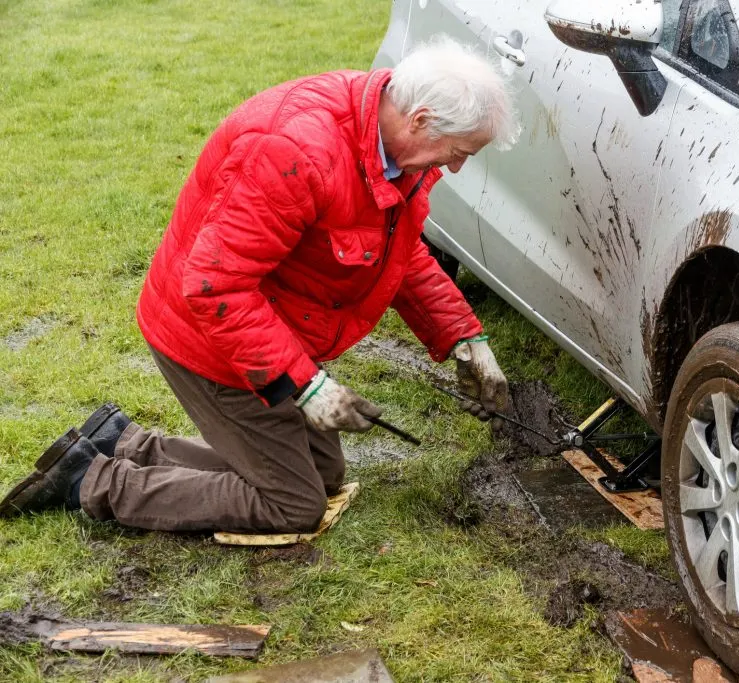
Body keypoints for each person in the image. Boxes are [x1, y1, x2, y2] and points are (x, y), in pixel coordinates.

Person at [0, 37, 519, 533]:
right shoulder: (295, 149)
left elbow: (397, 254)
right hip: (210, 337)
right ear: (421, 120)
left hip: (267, 329)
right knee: (292, 502)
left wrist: (464, 339)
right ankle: (91, 481)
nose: (456, 166)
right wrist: (308, 385)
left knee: (323, 477)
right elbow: (213, 288)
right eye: (458, 151)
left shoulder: (390, 146)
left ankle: (128, 445)